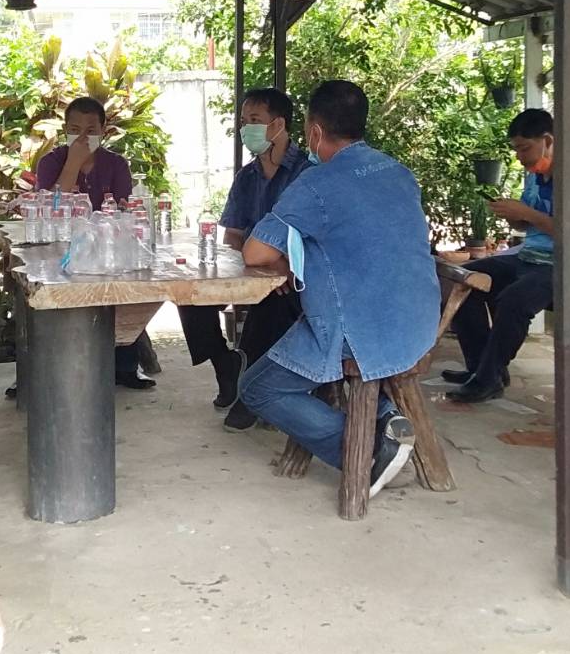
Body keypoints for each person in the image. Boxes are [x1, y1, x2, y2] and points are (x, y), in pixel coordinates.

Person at [238, 80, 440, 496]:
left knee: (258, 388)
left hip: (360, 331)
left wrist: (289, 260)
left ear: (314, 131)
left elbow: (254, 253)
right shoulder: (399, 173)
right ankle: (386, 416)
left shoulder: (317, 184)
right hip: (419, 325)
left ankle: (368, 449)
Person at [446, 108, 570, 403]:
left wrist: (528, 213)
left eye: (524, 148)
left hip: (569, 267)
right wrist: (513, 214)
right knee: (464, 279)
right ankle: (483, 370)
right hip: (529, 257)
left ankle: (487, 378)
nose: (520, 157)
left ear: (548, 141)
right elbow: (526, 224)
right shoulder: (536, 177)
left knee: (514, 300)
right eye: (516, 150)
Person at [177, 87, 308, 431]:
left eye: (254, 120)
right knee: (189, 294)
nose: (245, 128)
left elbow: (313, 237)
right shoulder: (246, 177)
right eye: (243, 121)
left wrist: (280, 266)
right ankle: (225, 365)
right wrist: (255, 264)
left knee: (272, 302)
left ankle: (250, 392)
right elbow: (233, 236)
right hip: (251, 267)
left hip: (293, 276)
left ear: (278, 125)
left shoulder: (307, 174)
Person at [35, 96, 152, 390]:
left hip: (107, 245)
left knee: (125, 290)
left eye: (91, 130)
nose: (83, 138)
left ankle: (126, 365)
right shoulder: (50, 162)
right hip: (61, 246)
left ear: (103, 130)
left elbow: (125, 210)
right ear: (65, 130)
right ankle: (40, 369)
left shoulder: (116, 164)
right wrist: (73, 163)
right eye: (75, 130)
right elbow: (50, 206)